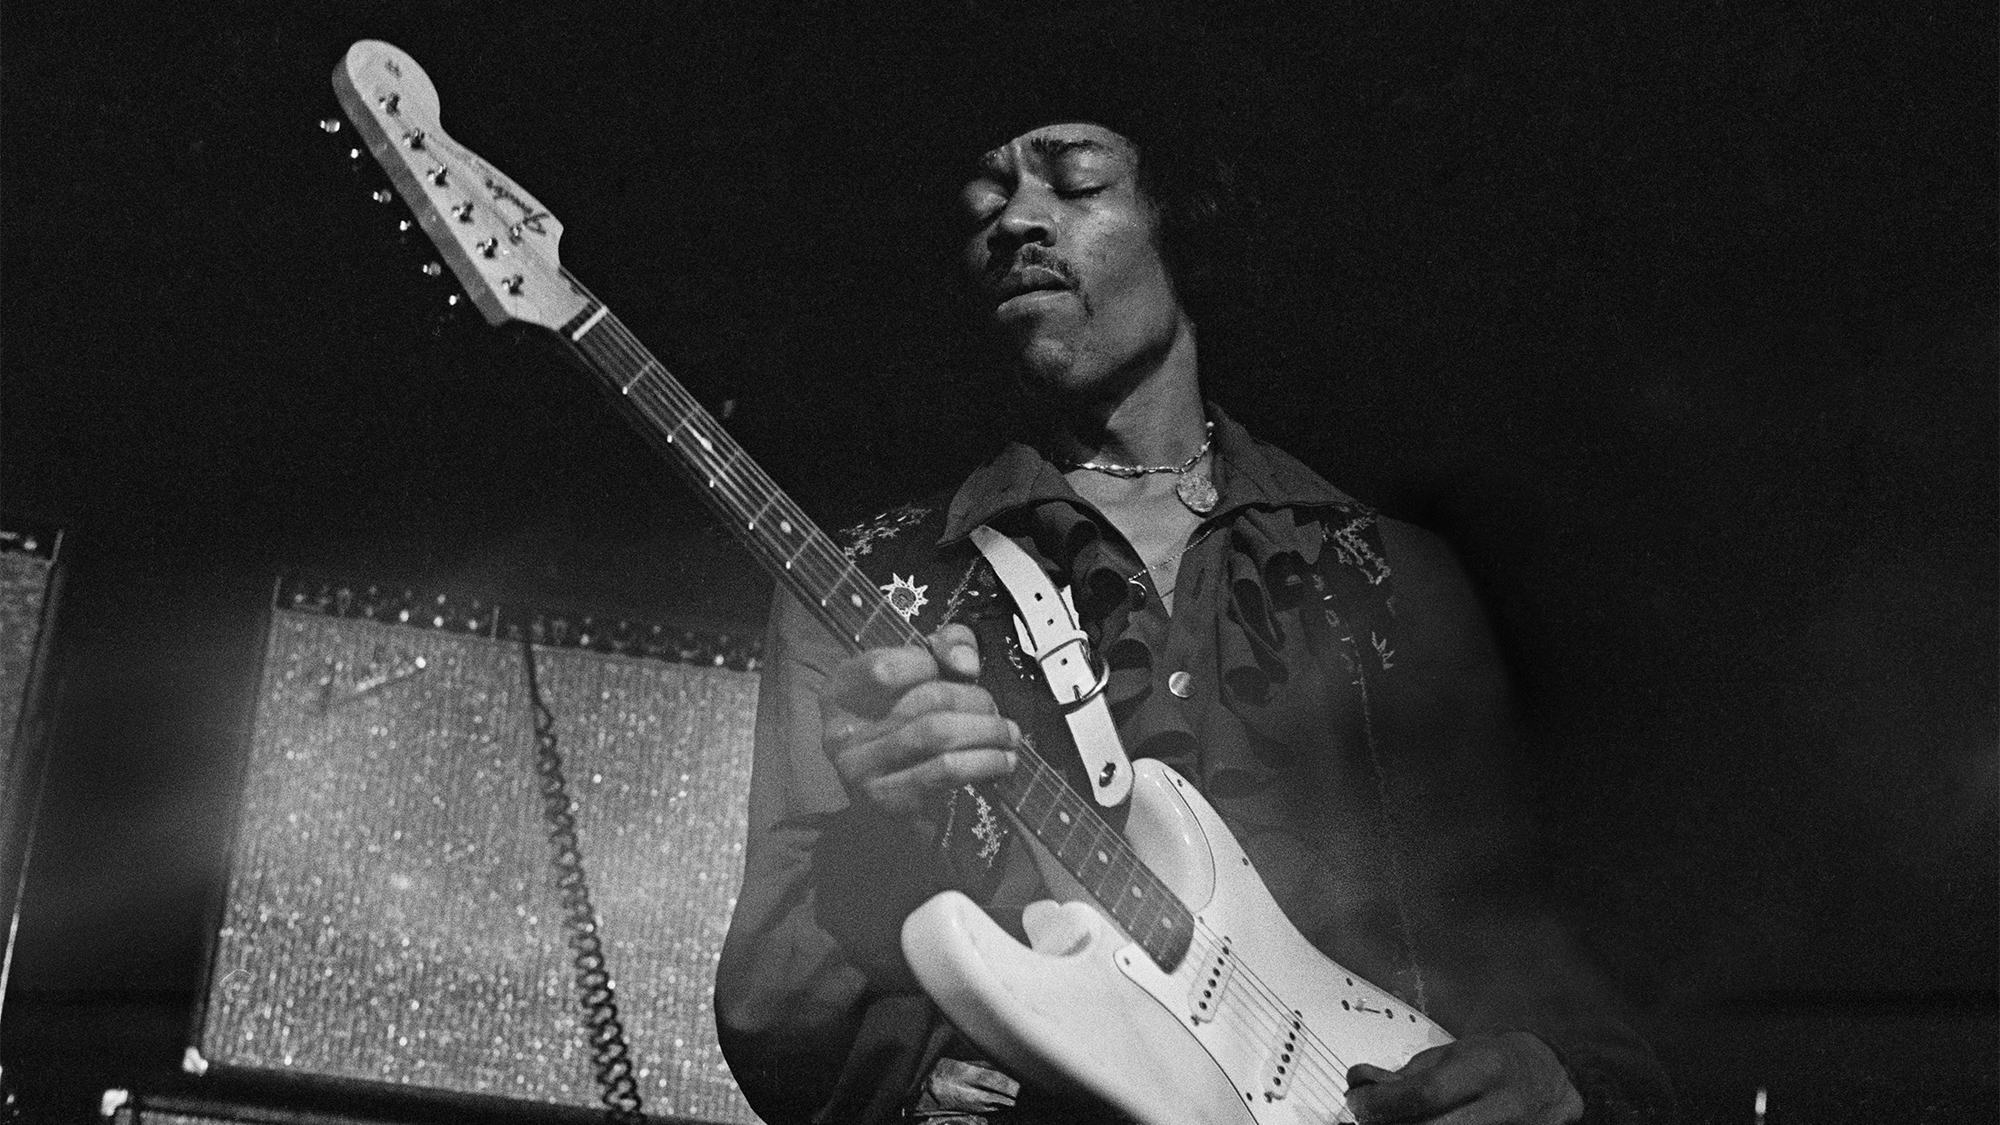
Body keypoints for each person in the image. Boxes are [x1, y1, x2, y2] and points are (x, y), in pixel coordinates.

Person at [715, 106, 1671, 1124]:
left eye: (1074, 182)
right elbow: (775, 1026)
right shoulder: (873, 585)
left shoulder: (1389, 576)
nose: (1014, 221)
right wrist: (879, 852)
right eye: (985, 198)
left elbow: (1535, 952)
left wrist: (1559, 1076)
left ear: (1186, 224)